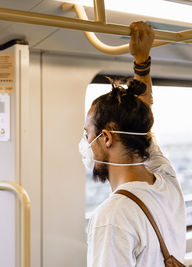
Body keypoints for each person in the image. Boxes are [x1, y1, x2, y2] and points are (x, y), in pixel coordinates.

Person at [80, 21, 186, 266]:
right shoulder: (166, 180)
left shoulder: (112, 217)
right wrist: (142, 61)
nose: (85, 144)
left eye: (87, 135)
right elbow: (141, 120)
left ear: (106, 137)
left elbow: (140, 120)